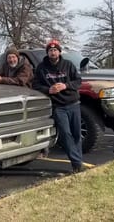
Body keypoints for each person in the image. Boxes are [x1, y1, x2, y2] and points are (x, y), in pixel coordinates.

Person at [32, 39, 83, 173]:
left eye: (55, 50)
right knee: (65, 134)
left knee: (77, 134)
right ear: (47, 53)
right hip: (58, 106)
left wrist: (66, 85)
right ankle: (76, 163)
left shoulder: (68, 65)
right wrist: (48, 90)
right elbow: (35, 85)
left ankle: (78, 160)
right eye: (50, 50)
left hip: (73, 103)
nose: (53, 52)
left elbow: (78, 81)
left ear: (59, 52)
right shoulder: (42, 68)